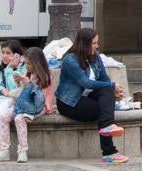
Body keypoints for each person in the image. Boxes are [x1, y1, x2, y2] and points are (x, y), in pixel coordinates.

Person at [55, 28, 128, 164]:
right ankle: (109, 152)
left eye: (97, 43)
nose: (97, 46)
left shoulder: (96, 57)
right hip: (69, 103)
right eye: (94, 43)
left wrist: (113, 90)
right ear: (84, 44)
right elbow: (85, 82)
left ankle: (108, 129)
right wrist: (112, 86)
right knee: (105, 105)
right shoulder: (69, 60)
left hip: (87, 100)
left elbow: (105, 81)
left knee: (107, 93)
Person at [0, 47, 55, 163]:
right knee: (3, 116)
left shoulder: (46, 76)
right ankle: (4, 150)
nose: (27, 66)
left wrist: (30, 84)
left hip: (39, 106)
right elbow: (22, 93)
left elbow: (42, 97)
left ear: (37, 63)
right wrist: (19, 82)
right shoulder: (28, 73)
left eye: (29, 64)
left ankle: (22, 151)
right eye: (26, 63)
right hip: (24, 104)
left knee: (19, 118)